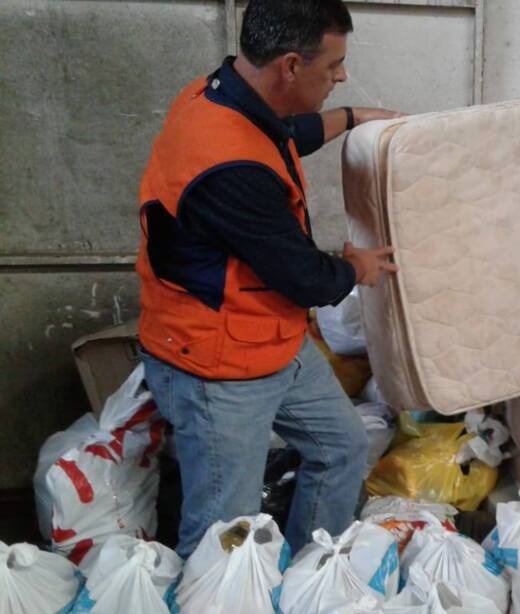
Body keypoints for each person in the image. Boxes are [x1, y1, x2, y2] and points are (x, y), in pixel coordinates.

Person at [134, 0, 399, 557]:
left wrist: (355, 117)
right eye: (334, 65)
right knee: (223, 526)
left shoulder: (220, 95)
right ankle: (216, 590)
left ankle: (307, 576)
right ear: (291, 66)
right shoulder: (229, 167)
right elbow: (305, 278)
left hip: (268, 336)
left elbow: (286, 134)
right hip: (217, 361)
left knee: (341, 447)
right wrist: (359, 268)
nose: (342, 76)